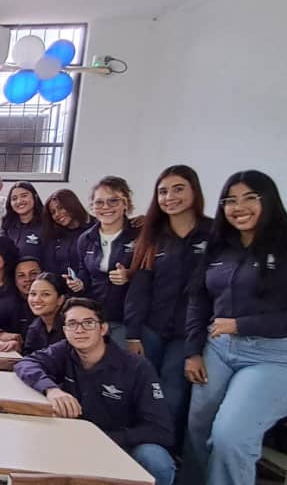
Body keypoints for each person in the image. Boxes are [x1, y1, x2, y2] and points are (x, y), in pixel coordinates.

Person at [184, 170, 287, 485]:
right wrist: (193, 351)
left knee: (230, 437)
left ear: (268, 200)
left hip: (276, 356)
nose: (238, 207)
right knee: (198, 429)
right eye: (230, 200)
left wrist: (242, 324)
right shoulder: (220, 246)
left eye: (249, 198)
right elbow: (198, 299)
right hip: (218, 350)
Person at [14, 298, 176, 485]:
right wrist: (51, 389)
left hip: (121, 444)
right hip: (74, 440)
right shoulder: (65, 350)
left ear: (103, 328)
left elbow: (161, 430)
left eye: (88, 323)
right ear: (65, 330)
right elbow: (26, 364)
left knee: (156, 459)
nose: (80, 330)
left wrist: (106, 439)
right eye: (72, 324)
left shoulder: (137, 367)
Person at [124, 165, 211, 449]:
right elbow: (139, 289)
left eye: (178, 189)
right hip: (151, 329)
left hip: (188, 334)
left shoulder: (214, 234)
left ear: (194, 191)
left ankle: (164, 455)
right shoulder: (153, 236)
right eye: (163, 192)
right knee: (141, 392)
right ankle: (138, 451)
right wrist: (133, 334)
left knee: (172, 396)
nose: (170, 197)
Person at [65, 176, 138, 344]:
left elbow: (150, 275)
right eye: (99, 202)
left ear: (125, 203)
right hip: (95, 318)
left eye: (113, 201)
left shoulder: (139, 235)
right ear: (92, 206)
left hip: (127, 320)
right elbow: (84, 271)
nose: (106, 207)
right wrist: (79, 283)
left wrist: (129, 275)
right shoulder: (86, 238)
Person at [40, 189, 93, 274]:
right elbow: (49, 268)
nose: (57, 214)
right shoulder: (53, 236)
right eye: (53, 212)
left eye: (60, 208)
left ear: (72, 204)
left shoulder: (94, 229)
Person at [16, 273, 69, 355]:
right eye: (33, 294)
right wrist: (18, 348)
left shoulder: (71, 327)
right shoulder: (35, 327)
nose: (37, 300)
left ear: (60, 299)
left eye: (45, 294)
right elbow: (28, 356)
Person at [2, 181, 45, 260]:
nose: (19, 201)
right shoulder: (6, 226)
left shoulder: (46, 226)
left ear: (35, 197)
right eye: (14, 198)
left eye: (24, 196)